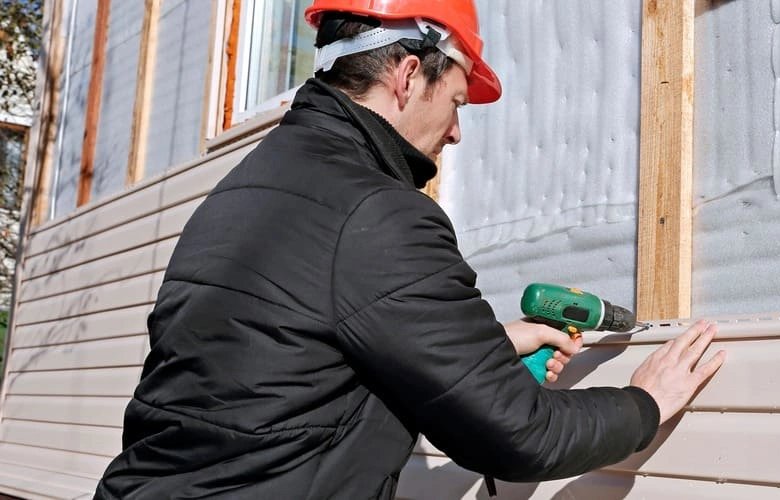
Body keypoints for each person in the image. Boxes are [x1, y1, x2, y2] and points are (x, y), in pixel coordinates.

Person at [94, 0, 726, 498]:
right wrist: (646, 401)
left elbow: (287, 359)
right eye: (454, 101)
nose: (454, 131)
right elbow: (519, 436)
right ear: (406, 75)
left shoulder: (246, 190)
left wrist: (487, 346)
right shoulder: (378, 211)